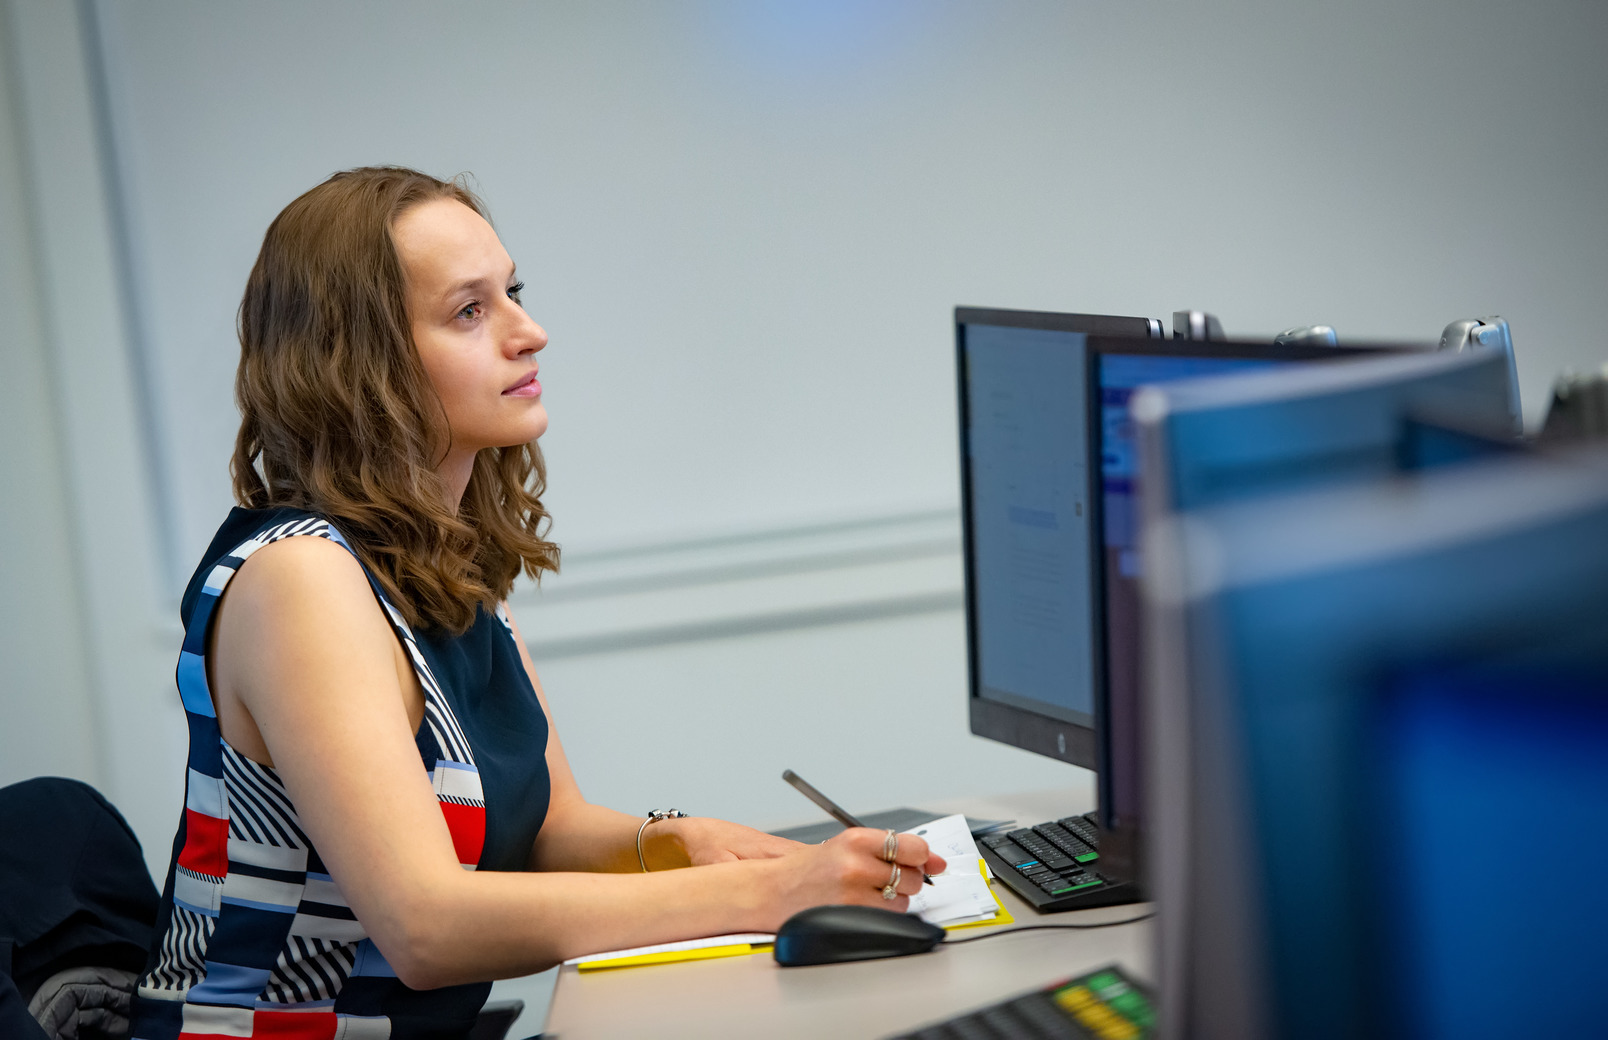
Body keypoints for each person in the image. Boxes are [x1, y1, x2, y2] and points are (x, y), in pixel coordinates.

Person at [129, 166, 944, 1039]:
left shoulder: (437, 553)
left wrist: (679, 844)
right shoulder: (299, 579)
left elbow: (548, 825)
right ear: (360, 365)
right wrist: (766, 893)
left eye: (511, 292)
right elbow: (426, 927)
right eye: (469, 311)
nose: (531, 332)